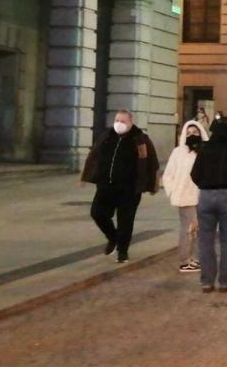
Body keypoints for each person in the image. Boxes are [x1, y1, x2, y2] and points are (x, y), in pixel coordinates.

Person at [81, 110, 160, 263]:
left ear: (131, 123)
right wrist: (87, 175)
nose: (119, 124)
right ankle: (113, 237)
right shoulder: (106, 136)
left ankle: (122, 251)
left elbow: (151, 163)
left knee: (125, 220)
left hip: (129, 188)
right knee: (97, 213)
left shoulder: (140, 139)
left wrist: (152, 185)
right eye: (117, 120)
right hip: (105, 185)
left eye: (123, 121)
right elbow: (94, 156)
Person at [191, 121, 227, 293]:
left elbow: (194, 173)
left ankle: (207, 282)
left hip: (206, 195)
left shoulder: (205, 148)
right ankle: (225, 281)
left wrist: (205, 185)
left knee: (205, 241)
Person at [160, 120, 208, 273]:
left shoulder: (204, 151)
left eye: (195, 133)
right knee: (188, 228)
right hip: (185, 197)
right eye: (188, 133)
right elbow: (168, 174)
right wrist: (173, 191)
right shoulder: (178, 152)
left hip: (201, 196)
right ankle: (184, 260)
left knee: (197, 229)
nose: (191, 135)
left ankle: (191, 257)